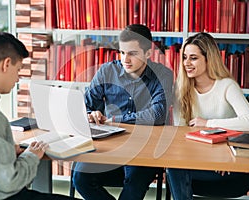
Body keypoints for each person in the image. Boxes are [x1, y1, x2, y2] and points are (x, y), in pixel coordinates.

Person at [0, 31, 79, 200]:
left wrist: (6, 152)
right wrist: (31, 156)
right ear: (6, 64)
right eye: (18, 70)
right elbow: (9, 182)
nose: (18, 78)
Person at [72, 24, 174, 200]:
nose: (125, 59)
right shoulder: (107, 71)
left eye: (132, 53)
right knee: (80, 178)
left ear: (148, 54)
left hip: (144, 148)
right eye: (122, 52)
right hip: (109, 146)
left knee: (134, 184)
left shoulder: (163, 74)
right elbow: (85, 106)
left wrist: (114, 119)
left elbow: (158, 115)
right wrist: (91, 114)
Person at [167, 32, 249, 200]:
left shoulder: (227, 86)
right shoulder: (181, 88)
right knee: (173, 166)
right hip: (195, 158)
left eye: (193, 58)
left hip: (228, 164)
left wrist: (208, 123)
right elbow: (180, 132)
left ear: (209, 59)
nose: (187, 63)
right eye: (185, 57)